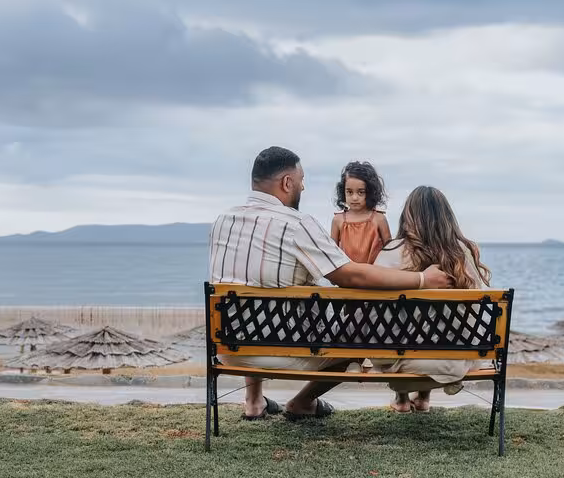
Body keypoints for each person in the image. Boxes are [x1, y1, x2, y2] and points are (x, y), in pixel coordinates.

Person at [209, 147, 455, 421]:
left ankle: (254, 401)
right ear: (287, 183)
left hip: (228, 348)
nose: (303, 186)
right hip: (281, 349)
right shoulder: (297, 224)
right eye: (301, 180)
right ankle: (301, 402)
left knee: (248, 302)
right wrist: (422, 279)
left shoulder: (222, 221)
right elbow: (349, 275)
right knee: (355, 338)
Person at [371, 186, 492, 413]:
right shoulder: (463, 253)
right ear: (446, 218)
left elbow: (376, 314)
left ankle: (402, 397)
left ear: (408, 217)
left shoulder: (391, 251)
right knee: (443, 322)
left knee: (398, 320)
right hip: (452, 360)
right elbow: (472, 316)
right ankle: (424, 396)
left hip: (400, 357)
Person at [330, 161, 392, 265]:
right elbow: (331, 254)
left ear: (370, 192)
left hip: (374, 277)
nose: (354, 197)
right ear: (343, 191)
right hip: (346, 277)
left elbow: (390, 252)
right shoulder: (338, 220)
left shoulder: (379, 219)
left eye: (361, 192)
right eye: (349, 192)